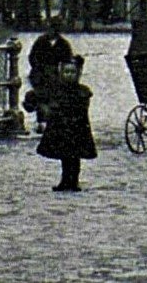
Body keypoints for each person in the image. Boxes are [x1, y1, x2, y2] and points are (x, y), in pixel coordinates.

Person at [25, 55, 96, 192]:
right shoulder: (56, 89)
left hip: (76, 129)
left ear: (78, 74)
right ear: (61, 73)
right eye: (66, 72)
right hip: (62, 129)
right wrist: (37, 104)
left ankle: (73, 182)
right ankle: (65, 181)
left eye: (72, 72)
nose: (69, 75)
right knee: (65, 157)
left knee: (74, 157)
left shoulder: (82, 91)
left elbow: (81, 108)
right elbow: (37, 95)